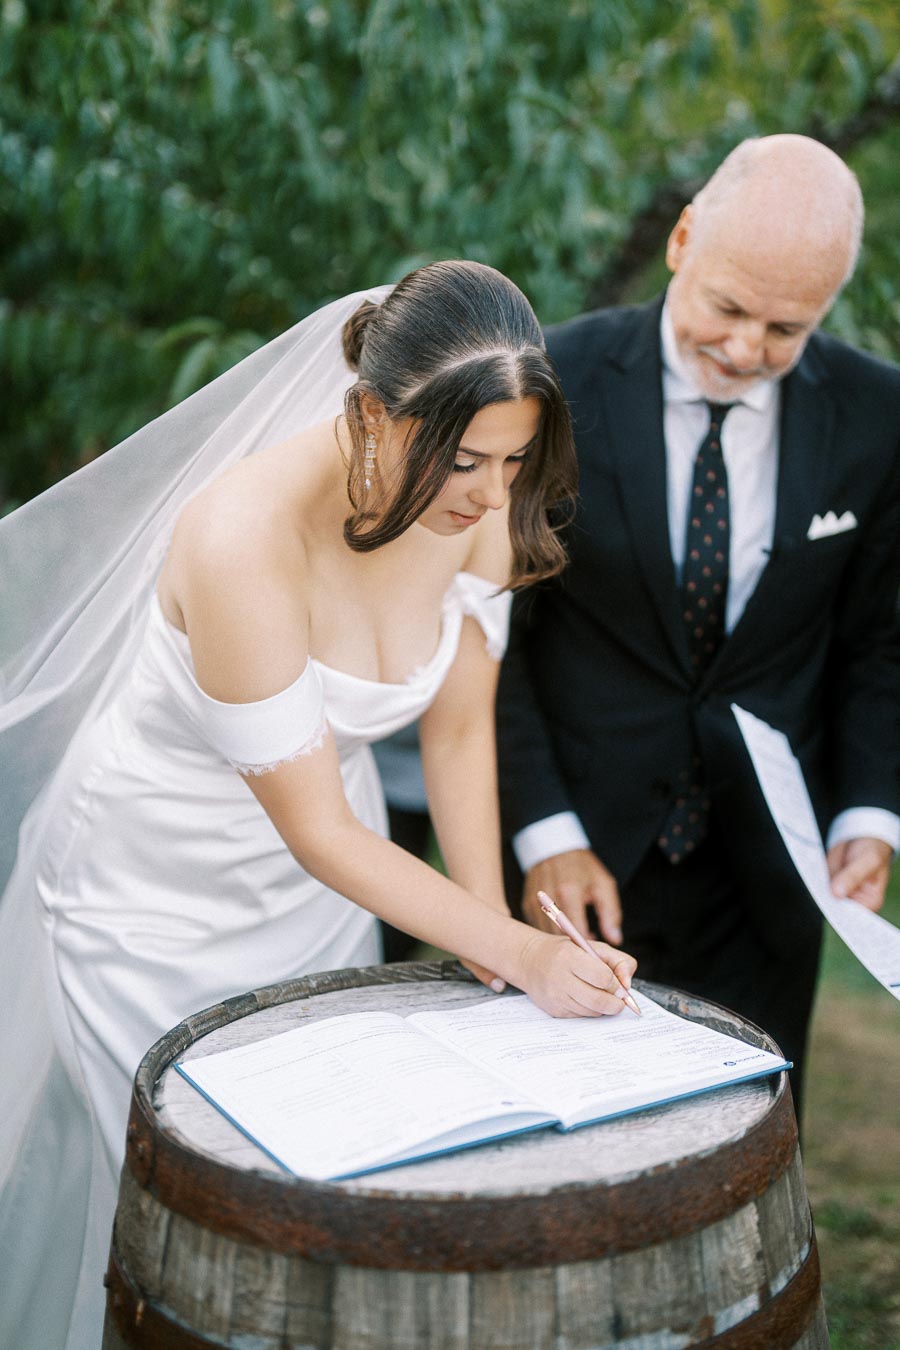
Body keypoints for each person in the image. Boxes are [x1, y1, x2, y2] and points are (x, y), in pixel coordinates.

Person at [0, 260, 639, 1350]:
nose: (491, 496)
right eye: (466, 461)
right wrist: (521, 956)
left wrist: (492, 948)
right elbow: (317, 827)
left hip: (323, 901)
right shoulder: (241, 538)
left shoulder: (472, 495)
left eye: (516, 460)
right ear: (373, 417)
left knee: (315, 1194)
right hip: (149, 900)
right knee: (180, 1219)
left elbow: (459, 725)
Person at [497, 135, 900, 1121]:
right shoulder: (550, 383)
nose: (747, 350)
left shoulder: (880, 418)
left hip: (768, 880)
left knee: (737, 1144)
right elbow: (492, 644)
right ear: (681, 241)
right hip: (577, 856)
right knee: (562, 1147)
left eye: (786, 328)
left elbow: (880, 642)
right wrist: (542, 829)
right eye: (729, 308)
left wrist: (870, 817)